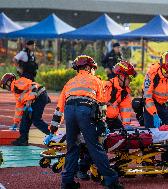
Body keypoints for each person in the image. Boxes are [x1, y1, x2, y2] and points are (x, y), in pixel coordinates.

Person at [44, 55, 123, 189]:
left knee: (72, 147)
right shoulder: (95, 80)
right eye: (93, 68)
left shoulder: (70, 82)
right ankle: (111, 180)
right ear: (88, 67)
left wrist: (53, 129)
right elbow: (102, 105)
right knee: (94, 147)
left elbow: (59, 108)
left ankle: (67, 182)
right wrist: (102, 124)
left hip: (69, 111)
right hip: (85, 110)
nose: (93, 71)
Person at [0, 73, 50, 146]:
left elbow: (33, 86)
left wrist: (30, 100)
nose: (6, 88)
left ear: (8, 82)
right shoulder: (16, 93)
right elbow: (19, 109)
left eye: (5, 86)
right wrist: (16, 122)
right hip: (36, 99)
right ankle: (23, 139)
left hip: (39, 96)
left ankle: (52, 135)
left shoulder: (18, 83)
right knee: (25, 118)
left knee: (36, 120)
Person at [104, 60, 137, 131]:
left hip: (113, 120)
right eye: (129, 78)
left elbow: (125, 109)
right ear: (121, 77)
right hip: (102, 121)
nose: (130, 80)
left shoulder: (125, 92)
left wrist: (126, 125)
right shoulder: (107, 86)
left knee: (124, 135)